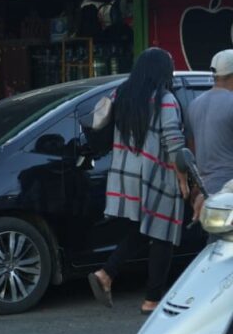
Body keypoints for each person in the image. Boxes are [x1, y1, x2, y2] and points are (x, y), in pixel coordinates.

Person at [88, 48, 189, 314]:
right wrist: (183, 178)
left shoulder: (122, 94)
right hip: (157, 174)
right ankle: (152, 299)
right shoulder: (164, 99)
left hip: (126, 175)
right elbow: (173, 141)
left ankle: (106, 274)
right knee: (163, 234)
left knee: (145, 230)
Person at [188, 50, 233, 219]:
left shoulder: (194, 104)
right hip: (229, 190)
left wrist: (197, 185)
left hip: (205, 191)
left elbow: (191, 150)